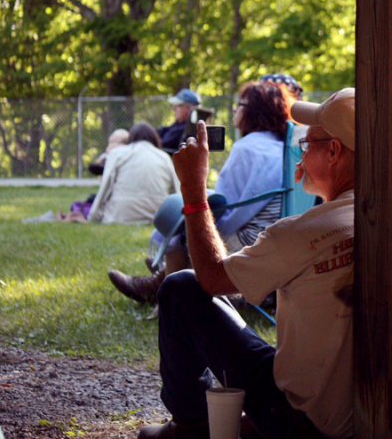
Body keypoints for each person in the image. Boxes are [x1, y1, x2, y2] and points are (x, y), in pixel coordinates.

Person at [136, 88, 355, 439]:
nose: (301, 154)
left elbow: (211, 278)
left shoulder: (302, 234)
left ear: (333, 152)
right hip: (364, 415)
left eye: (307, 144)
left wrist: (193, 189)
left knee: (181, 287)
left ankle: (190, 427)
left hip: (305, 424)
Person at [108, 81, 291, 304]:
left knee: (185, 224)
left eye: (240, 105)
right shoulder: (285, 147)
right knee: (188, 221)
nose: (235, 110)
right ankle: (163, 276)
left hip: (251, 241)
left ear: (254, 111)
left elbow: (227, 212)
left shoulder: (247, 148)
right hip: (279, 240)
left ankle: (163, 291)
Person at [87, 122, 180, 225]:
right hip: (157, 218)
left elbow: (105, 189)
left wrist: (93, 216)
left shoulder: (117, 154)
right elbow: (176, 193)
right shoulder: (164, 157)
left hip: (119, 217)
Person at [159, 88, 201, 153]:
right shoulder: (178, 124)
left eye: (178, 105)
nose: (174, 109)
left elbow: (161, 144)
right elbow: (163, 130)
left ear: (189, 108)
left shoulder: (185, 129)